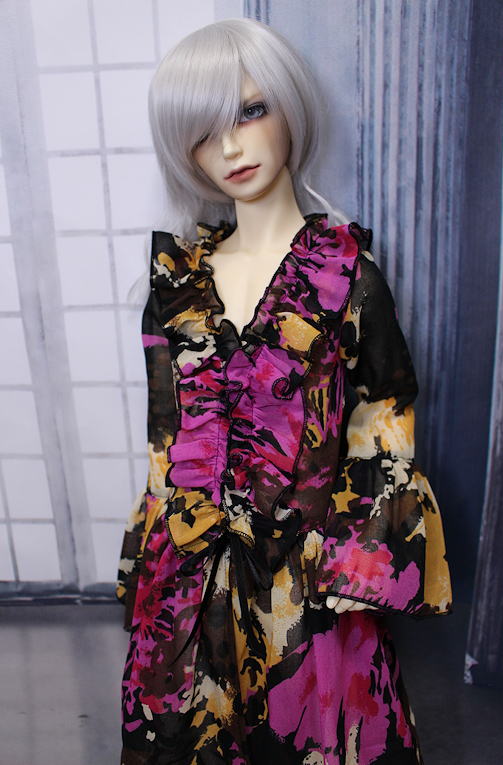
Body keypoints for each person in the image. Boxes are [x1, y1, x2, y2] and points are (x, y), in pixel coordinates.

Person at [116, 17, 453, 765]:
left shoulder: (345, 277)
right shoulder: (176, 289)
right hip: (191, 592)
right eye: (204, 131)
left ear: (288, 107)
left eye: (249, 110)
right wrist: (158, 571)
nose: (230, 147)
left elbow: (381, 421)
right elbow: (166, 443)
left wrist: (353, 560)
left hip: (309, 593)